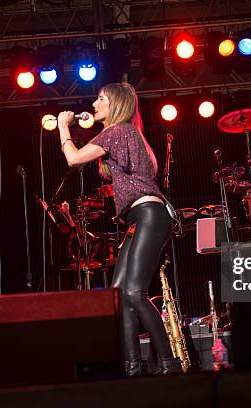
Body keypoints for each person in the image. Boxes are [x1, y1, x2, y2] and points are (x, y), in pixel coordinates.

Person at [57, 82, 180, 376]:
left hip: (149, 214)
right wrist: (89, 124)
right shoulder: (124, 132)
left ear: (115, 104)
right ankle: (132, 367)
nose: (95, 103)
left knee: (134, 292)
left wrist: (63, 127)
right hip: (140, 217)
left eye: (101, 99)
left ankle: (168, 364)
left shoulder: (117, 132)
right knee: (119, 293)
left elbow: (74, 159)